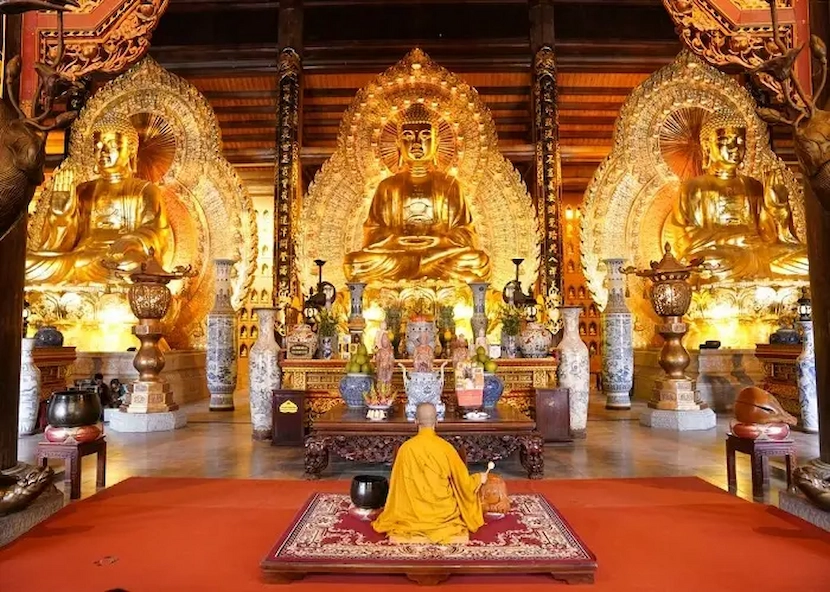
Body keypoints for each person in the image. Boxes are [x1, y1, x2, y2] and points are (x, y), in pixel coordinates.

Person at [372, 402, 487, 544]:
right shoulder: (446, 448)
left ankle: (417, 524)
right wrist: (478, 479)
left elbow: (397, 489)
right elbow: (464, 484)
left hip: (410, 515)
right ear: (437, 421)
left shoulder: (405, 449)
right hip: (442, 516)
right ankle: (437, 528)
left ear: (415, 421)